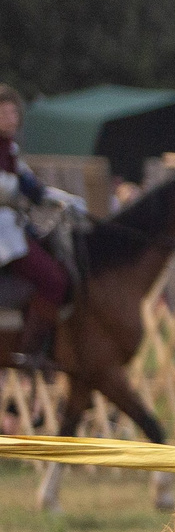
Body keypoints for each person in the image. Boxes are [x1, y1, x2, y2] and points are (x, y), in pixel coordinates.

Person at [0, 85, 77, 364]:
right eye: (3, 112)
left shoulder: (11, 151)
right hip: (3, 235)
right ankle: (30, 351)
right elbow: (12, 189)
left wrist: (63, 200)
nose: (11, 117)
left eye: (13, 112)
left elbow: (33, 188)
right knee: (53, 279)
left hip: (12, 229)